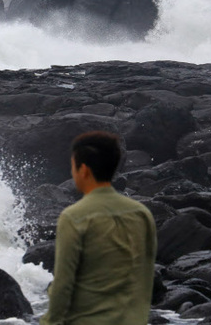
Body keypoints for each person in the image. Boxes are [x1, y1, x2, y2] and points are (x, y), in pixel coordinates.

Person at [40, 131, 157, 325]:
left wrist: (49, 322)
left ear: (83, 170)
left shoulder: (74, 216)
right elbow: (145, 277)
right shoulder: (141, 213)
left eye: (72, 167)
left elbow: (63, 284)